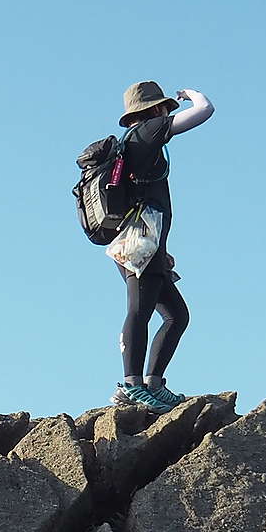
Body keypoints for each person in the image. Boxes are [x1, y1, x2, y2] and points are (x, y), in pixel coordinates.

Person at [104, 79, 213, 410]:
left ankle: (152, 382)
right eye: (165, 107)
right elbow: (205, 111)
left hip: (145, 243)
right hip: (138, 245)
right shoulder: (147, 132)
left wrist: (162, 251)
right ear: (154, 110)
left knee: (177, 315)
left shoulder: (137, 142)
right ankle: (131, 385)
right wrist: (192, 94)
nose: (168, 112)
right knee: (140, 310)